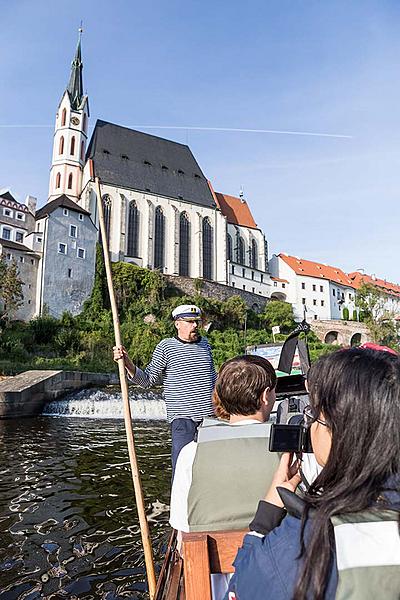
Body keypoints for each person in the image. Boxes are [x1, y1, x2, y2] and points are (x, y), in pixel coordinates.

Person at [226, 347, 400, 600]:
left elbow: (239, 588)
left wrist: (265, 519)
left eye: (315, 416)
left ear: (340, 432)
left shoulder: (302, 543)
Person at [170, 354, 280, 533]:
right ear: (265, 396)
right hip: (278, 555)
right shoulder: (292, 451)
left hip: (209, 556)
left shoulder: (191, 452)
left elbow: (181, 525)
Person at [113, 304, 216, 475]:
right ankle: (180, 501)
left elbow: (213, 379)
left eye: (197, 321)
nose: (195, 325)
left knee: (209, 469)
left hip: (210, 419)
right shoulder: (166, 347)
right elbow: (147, 380)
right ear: (177, 324)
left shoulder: (205, 345)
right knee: (183, 470)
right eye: (190, 322)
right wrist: (127, 362)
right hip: (183, 421)